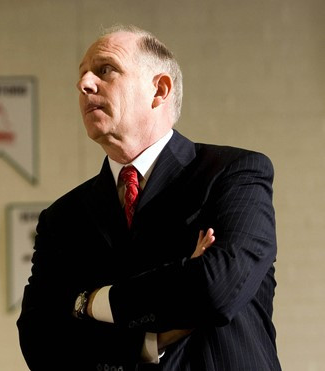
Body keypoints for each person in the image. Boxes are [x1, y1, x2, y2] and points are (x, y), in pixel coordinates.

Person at [17, 24, 281, 370]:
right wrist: (149, 340)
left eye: (105, 70)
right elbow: (40, 342)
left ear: (159, 90)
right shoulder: (62, 217)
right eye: (82, 76)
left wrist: (89, 302)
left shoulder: (234, 174)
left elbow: (215, 290)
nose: (84, 85)